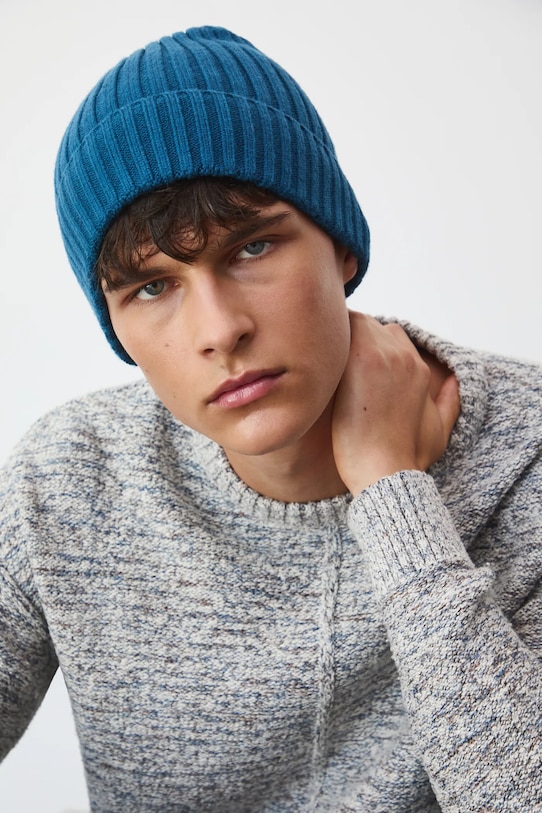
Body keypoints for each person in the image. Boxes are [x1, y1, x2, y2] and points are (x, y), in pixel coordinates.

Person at [0, 24, 540, 813]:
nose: (219, 330)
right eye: (152, 287)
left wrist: (395, 497)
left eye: (251, 249)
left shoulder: (527, 453)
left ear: (340, 246)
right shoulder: (69, 480)